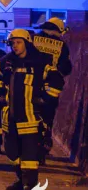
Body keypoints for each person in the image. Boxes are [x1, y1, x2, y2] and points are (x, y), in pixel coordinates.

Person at [0, 29, 46, 190]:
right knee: (11, 151)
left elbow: (56, 82)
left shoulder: (39, 62)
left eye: (18, 42)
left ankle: (31, 186)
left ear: (27, 43)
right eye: (13, 43)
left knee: (30, 154)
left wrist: (44, 99)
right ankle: (20, 180)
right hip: (10, 115)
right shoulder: (6, 62)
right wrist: (0, 92)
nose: (15, 46)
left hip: (29, 115)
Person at [33, 17, 72, 163]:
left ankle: (29, 150)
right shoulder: (62, 45)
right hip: (51, 89)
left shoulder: (33, 39)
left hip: (32, 86)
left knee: (30, 118)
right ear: (57, 30)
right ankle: (42, 150)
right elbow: (66, 68)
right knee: (47, 120)